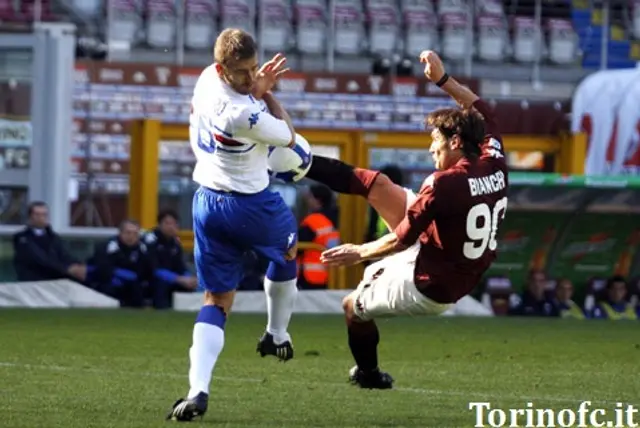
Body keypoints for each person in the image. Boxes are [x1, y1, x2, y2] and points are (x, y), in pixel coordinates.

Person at [306, 51, 509, 389]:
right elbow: (481, 108)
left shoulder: (443, 182)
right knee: (379, 185)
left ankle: (368, 375)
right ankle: (302, 163)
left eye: (436, 141)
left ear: (456, 142)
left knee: (351, 308)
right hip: (452, 255)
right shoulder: (495, 159)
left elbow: (400, 239)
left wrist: (359, 252)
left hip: (429, 281)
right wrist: (442, 80)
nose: (431, 150)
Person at [166, 29, 308, 421]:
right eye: (241, 72)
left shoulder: (207, 80)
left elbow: (242, 94)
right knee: (289, 250)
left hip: (207, 202)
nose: (249, 78)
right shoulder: (243, 113)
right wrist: (266, 91)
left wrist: (252, 88)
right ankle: (276, 333)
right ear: (221, 67)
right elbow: (289, 136)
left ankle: (197, 390)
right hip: (250, 204)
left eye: (252, 70)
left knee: (216, 300)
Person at [13, 201, 87, 283]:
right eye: (37, 214)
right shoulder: (22, 238)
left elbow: (64, 255)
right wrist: (67, 269)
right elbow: (40, 260)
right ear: (30, 217)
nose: (41, 218)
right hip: (33, 284)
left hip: (55, 283)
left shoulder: (54, 237)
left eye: (44, 214)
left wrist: (78, 265)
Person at [89, 219, 154, 308]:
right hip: (109, 283)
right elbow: (103, 269)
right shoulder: (107, 247)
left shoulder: (143, 249)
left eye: (135, 234)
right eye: (128, 233)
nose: (131, 237)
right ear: (120, 233)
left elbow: (148, 270)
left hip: (134, 285)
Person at [143, 209, 198, 309]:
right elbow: (153, 268)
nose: (171, 227)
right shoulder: (150, 240)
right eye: (167, 223)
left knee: (191, 286)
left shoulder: (175, 243)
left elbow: (180, 266)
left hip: (172, 278)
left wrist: (189, 278)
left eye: (174, 224)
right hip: (150, 279)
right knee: (161, 284)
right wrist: (178, 279)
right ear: (159, 224)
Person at [297, 184, 340, 289]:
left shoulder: (314, 220)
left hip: (310, 276)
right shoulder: (336, 220)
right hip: (330, 275)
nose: (307, 200)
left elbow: (297, 246)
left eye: (310, 197)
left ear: (318, 200)